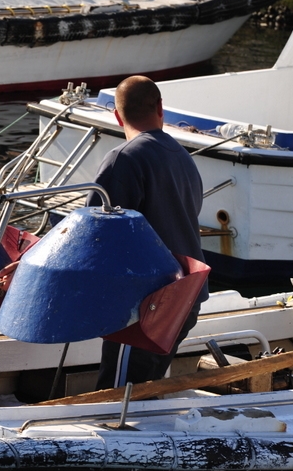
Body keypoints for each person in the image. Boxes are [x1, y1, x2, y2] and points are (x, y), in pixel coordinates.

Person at [87, 75, 208, 389]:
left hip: (148, 306)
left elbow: (91, 235)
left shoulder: (123, 159)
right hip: (185, 298)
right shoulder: (183, 158)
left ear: (117, 116)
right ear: (160, 108)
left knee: (118, 396)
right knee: (144, 389)